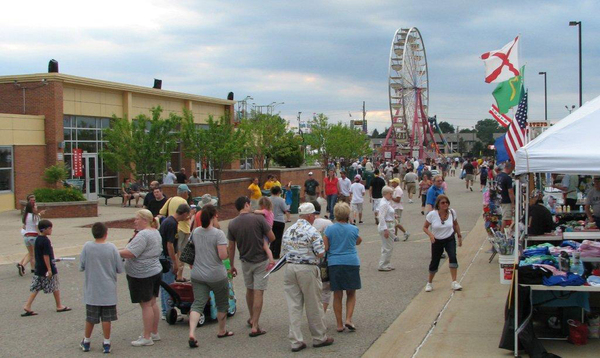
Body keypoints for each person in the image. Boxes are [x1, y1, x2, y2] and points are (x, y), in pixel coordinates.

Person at [281, 202, 334, 352]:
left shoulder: (289, 230)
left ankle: (296, 340)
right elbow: (320, 252)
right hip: (307, 268)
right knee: (313, 303)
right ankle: (319, 337)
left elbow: (284, 250)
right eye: (314, 215)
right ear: (310, 216)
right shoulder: (312, 231)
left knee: (294, 305)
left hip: (290, 268)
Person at [227, 196, 275, 337]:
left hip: (245, 260)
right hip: (260, 259)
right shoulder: (258, 219)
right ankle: (255, 325)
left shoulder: (232, 223)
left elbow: (231, 247)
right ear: (247, 204)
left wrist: (231, 265)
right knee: (259, 291)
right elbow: (271, 237)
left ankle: (251, 317)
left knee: (250, 289)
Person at [188, 205, 233, 347]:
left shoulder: (195, 232)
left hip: (198, 273)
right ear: (214, 216)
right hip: (216, 274)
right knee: (222, 303)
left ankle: (192, 333)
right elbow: (222, 255)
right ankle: (222, 330)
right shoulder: (218, 234)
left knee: (198, 303)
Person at [119, 209, 163, 346]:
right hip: (155, 270)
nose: (134, 221)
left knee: (145, 305)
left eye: (137, 219)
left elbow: (131, 253)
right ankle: (154, 332)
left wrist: (114, 251)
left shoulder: (143, 235)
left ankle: (146, 337)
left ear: (145, 220)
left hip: (143, 274)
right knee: (152, 302)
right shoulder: (155, 232)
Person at [79, 222, 124, 353]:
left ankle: (86, 340)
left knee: (91, 318)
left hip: (92, 289)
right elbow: (119, 268)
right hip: (108, 289)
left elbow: (81, 265)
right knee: (107, 318)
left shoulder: (87, 247)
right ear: (106, 233)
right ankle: (106, 342)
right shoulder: (112, 248)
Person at [323, 202, 362, 332]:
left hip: (335, 262)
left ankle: (339, 324)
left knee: (337, 294)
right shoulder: (353, 229)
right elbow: (358, 241)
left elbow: (326, 247)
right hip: (351, 261)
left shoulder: (329, 229)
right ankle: (348, 319)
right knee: (351, 292)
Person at [22, 219, 72, 317]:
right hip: (47, 267)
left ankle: (28, 305)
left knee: (36, 287)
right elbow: (46, 255)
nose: (51, 230)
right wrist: (49, 268)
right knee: (55, 285)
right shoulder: (45, 241)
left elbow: (39, 255)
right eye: (49, 228)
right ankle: (59, 305)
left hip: (39, 267)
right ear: (44, 229)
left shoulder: (38, 239)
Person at [423, 195, 463, 292]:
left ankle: (454, 282)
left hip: (449, 238)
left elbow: (455, 224)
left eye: (446, 202)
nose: (445, 204)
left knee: (453, 257)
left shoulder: (452, 212)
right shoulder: (432, 214)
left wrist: (459, 235)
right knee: (435, 261)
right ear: (438, 204)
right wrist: (431, 235)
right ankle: (429, 282)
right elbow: (425, 227)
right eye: (442, 203)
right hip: (437, 241)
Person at [159, 203, 191, 319]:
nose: (187, 218)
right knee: (168, 286)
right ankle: (168, 311)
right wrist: (174, 262)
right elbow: (170, 245)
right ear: (184, 213)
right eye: (187, 215)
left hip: (163, 256)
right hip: (166, 258)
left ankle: (165, 310)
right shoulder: (172, 224)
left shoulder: (168, 221)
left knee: (165, 285)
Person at [159, 184, 192, 281]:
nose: (188, 195)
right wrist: (192, 214)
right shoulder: (183, 202)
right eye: (187, 193)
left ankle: (175, 272)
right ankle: (179, 275)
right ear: (184, 193)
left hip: (173, 227)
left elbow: (162, 212)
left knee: (175, 250)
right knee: (180, 252)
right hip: (183, 228)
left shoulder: (170, 199)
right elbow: (186, 216)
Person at [310, 201, 333, 313]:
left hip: (309, 259)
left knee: (312, 289)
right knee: (325, 288)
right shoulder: (328, 223)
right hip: (324, 259)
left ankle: (314, 312)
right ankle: (321, 313)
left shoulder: (306, 224)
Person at [377, 186, 397, 271]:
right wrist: (385, 229)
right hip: (387, 226)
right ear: (385, 194)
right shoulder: (384, 203)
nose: (392, 195)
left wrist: (393, 216)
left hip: (389, 224)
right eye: (390, 194)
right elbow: (381, 217)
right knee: (387, 246)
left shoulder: (386, 202)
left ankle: (386, 263)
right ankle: (383, 265)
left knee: (389, 246)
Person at [17, 202, 40, 276]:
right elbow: (37, 229)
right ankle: (26, 266)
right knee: (35, 253)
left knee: (31, 253)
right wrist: (41, 236)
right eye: (35, 206)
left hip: (26, 236)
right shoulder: (35, 217)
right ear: (32, 208)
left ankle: (28, 267)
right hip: (34, 236)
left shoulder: (26, 216)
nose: (36, 207)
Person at [254, 197, 276, 269]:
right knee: (265, 246)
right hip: (268, 231)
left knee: (265, 246)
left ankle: (271, 261)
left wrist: (254, 211)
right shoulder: (271, 212)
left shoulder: (266, 211)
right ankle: (269, 259)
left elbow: (256, 212)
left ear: (263, 205)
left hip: (265, 232)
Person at [269, 185, 288, 258]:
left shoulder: (268, 199)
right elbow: (285, 209)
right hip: (279, 220)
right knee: (278, 238)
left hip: (271, 220)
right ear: (278, 192)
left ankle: (271, 251)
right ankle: (276, 254)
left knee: (272, 237)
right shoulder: (281, 200)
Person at [496, 163, 515, 231]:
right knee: (506, 217)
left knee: (502, 216)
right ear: (509, 168)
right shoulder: (507, 178)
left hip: (499, 199)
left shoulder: (498, 176)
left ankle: (500, 230)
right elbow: (510, 191)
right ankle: (502, 232)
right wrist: (513, 202)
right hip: (506, 200)